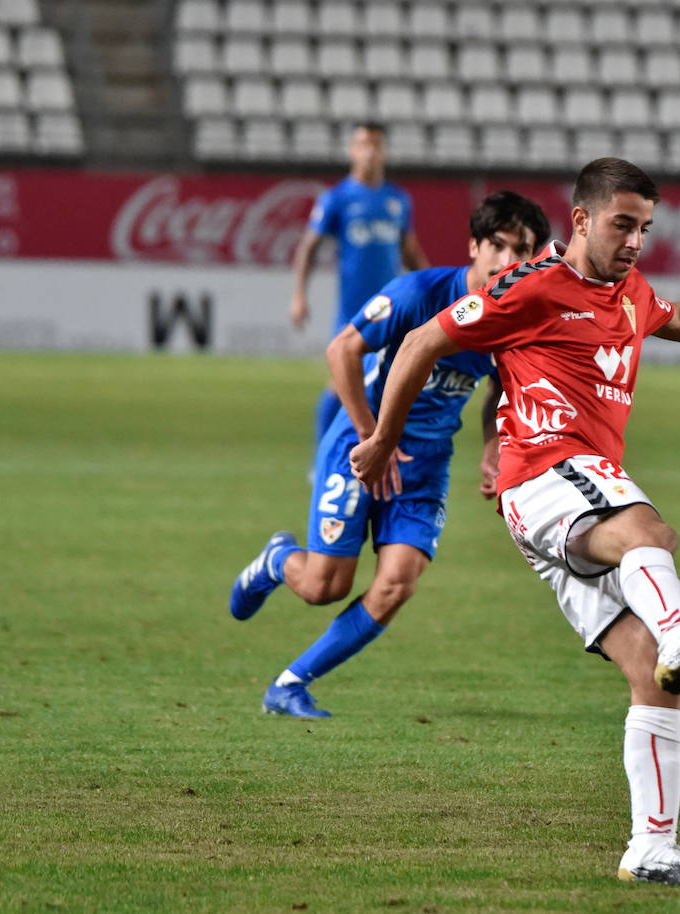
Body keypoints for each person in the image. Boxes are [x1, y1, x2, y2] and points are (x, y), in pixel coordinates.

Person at [347, 159, 680, 887]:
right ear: (583, 221)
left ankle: (651, 848)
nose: (635, 241)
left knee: (653, 676)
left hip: (573, 488)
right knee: (648, 534)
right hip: (544, 476)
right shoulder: (531, 288)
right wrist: (379, 441)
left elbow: (675, 317)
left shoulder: (628, 291)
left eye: (646, 228)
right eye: (624, 224)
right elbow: (420, 343)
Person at [231, 191, 551, 718]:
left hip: (425, 464)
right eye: (497, 245)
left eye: (523, 251)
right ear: (474, 245)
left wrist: (494, 448)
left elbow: (499, 391)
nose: (507, 262)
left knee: (397, 583)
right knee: (321, 587)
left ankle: (289, 685)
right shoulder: (417, 293)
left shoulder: (513, 319)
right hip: (358, 448)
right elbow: (342, 350)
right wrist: (369, 438)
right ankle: (276, 560)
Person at [289, 122, 432, 450]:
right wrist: (299, 296)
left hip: (391, 310)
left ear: (384, 152)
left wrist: (434, 291)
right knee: (340, 385)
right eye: (363, 144)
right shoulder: (337, 198)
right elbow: (308, 249)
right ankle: (321, 458)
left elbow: (410, 252)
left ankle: (380, 455)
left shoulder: (397, 200)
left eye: (376, 145)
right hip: (352, 310)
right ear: (352, 151)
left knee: (390, 387)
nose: (370, 151)